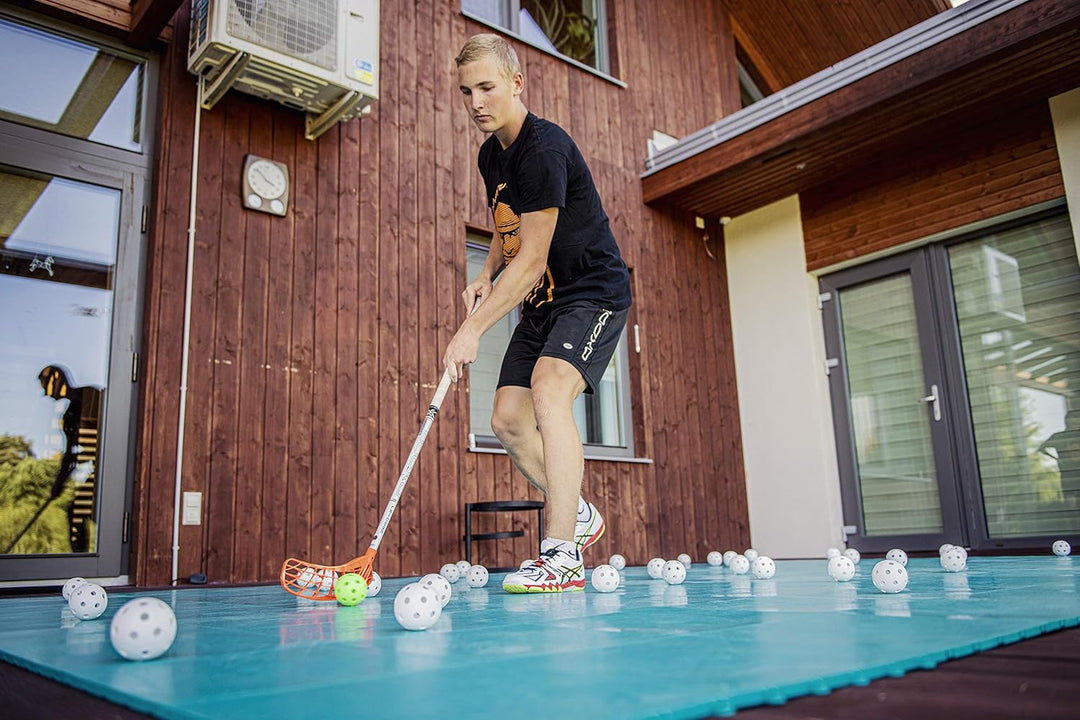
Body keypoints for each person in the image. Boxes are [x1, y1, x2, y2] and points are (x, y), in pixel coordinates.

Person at [443, 34, 632, 593]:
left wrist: (471, 330)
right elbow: (511, 232)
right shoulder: (490, 155)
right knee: (506, 418)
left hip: (592, 291)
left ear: (516, 83)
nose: (476, 101)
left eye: (487, 87)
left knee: (550, 389)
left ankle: (562, 553)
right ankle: (577, 513)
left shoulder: (544, 149)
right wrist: (483, 274)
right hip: (544, 302)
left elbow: (531, 260)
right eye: (466, 91)